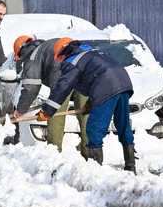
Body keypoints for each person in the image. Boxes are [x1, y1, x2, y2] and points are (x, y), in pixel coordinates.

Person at [38, 37, 137, 173]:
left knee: (94, 129)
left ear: (63, 53)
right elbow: (96, 75)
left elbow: (63, 88)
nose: (60, 62)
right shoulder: (94, 53)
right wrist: (90, 103)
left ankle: (94, 172)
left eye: (59, 58)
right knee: (123, 124)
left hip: (106, 87)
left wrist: (47, 111)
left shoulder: (72, 61)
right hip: (124, 83)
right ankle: (130, 166)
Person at [12, 36, 90, 158]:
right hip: (83, 74)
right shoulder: (46, 46)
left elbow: (31, 87)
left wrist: (21, 109)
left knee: (54, 115)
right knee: (86, 116)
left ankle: (54, 156)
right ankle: (90, 155)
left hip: (63, 79)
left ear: (21, 52)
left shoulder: (32, 57)